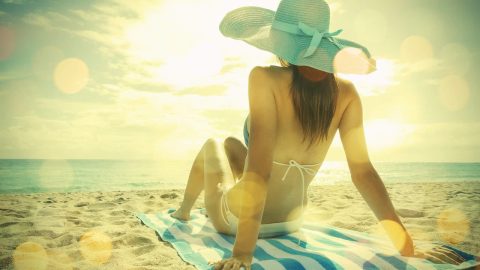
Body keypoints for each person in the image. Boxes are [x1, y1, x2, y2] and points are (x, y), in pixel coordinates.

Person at [170, 0, 465, 269]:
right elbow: (363, 173)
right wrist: (406, 246)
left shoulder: (264, 78)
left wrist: (243, 253)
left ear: (282, 45)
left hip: (236, 222)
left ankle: (183, 213)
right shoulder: (347, 94)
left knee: (212, 145)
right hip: (291, 221)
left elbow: (259, 170)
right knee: (231, 145)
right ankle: (186, 210)